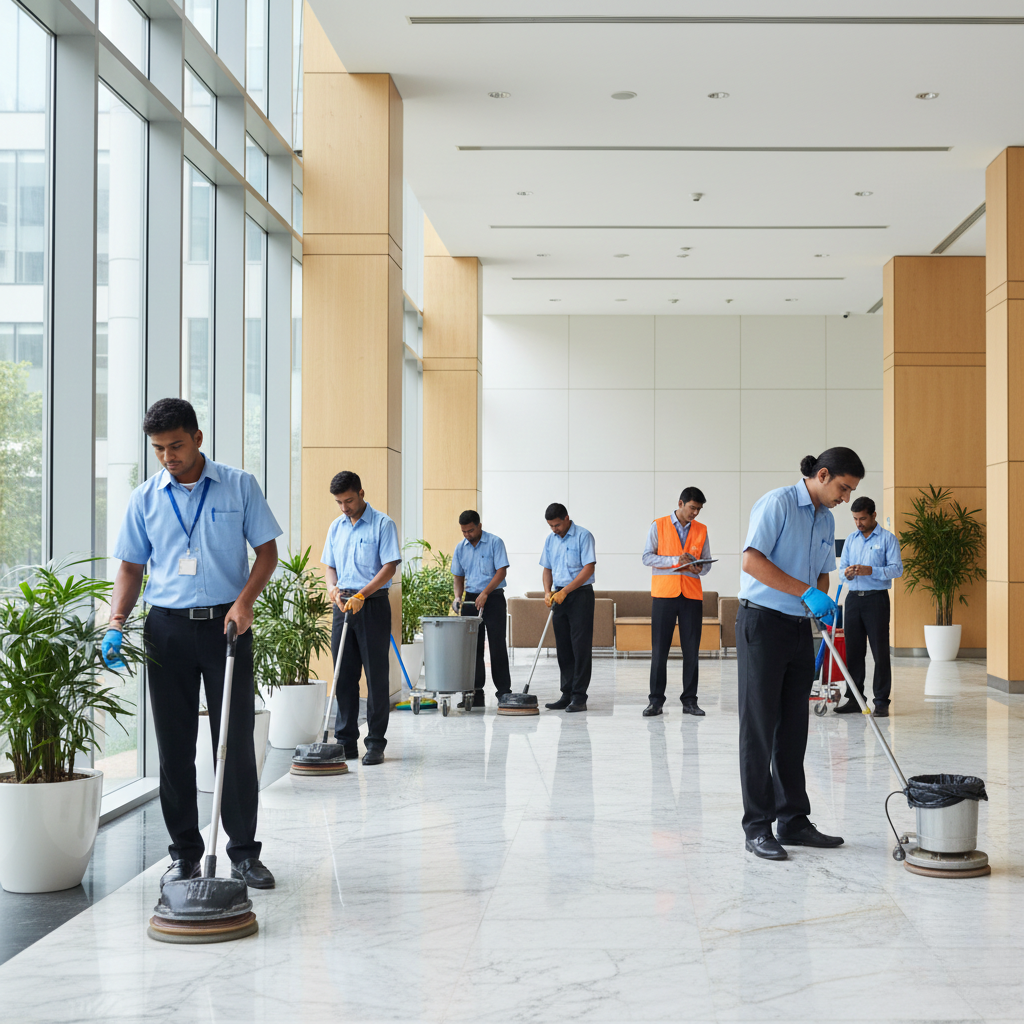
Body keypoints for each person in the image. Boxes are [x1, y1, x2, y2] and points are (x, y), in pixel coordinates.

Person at [102, 398, 280, 889]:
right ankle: (184, 853)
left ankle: (244, 852)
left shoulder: (239, 485)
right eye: (158, 449)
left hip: (228, 626)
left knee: (235, 742)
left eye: (175, 446)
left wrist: (244, 604)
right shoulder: (144, 497)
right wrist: (118, 619)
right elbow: (131, 567)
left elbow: (267, 552)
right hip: (167, 629)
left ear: (197, 438)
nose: (167, 457)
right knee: (174, 747)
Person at [737, 447, 864, 861]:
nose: (846, 499)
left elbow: (823, 570)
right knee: (759, 728)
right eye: (843, 488)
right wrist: (804, 591)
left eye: (851, 492)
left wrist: (819, 598)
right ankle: (757, 826)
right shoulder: (777, 503)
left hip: (798, 628)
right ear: (823, 475)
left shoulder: (825, 519)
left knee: (793, 728)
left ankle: (792, 819)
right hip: (762, 624)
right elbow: (752, 561)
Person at [322, 471, 401, 765]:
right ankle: (345, 743)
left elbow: (389, 567)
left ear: (362, 493)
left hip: (372, 604)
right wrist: (332, 588)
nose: (345, 507)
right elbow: (330, 565)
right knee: (343, 675)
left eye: (349, 500)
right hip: (343, 605)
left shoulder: (383, 524)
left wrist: (362, 595)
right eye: (340, 502)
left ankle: (375, 743)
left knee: (376, 676)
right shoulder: (336, 527)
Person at [642, 486, 713, 718]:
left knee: (691, 651)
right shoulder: (659, 525)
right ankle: (655, 701)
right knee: (659, 651)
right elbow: (647, 557)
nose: (695, 513)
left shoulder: (701, 530)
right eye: (692, 508)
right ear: (680, 503)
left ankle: (690, 701)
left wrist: (698, 567)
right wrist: (675, 560)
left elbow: (706, 566)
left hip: (691, 597)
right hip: (664, 596)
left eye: (699, 509)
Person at [837, 496, 903, 717]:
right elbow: (841, 571)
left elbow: (896, 569)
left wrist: (871, 571)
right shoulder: (851, 540)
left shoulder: (888, 539)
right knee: (853, 652)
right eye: (855, 518)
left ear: (873, 515)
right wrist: (846, 573)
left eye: (862, 518)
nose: (858, 523)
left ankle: (881, 701)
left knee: (880, 652)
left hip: (876, 599)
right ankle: (855, 699)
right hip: (854, 599)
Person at [539, 503, 597, 712]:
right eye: (551, 526)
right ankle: (566, 693)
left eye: (556, 525)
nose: (554, 529)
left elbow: (588, 568)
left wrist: (567, 591)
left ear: (566, 518)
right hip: (558, 595)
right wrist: (548, 592)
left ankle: (579, 696)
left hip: (579, 594)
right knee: (563, 647)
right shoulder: (550, 540)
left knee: (580, 646)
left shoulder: (583, 536)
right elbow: (547, 568)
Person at [451, 510, 512, 708]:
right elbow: (458, 576)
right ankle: (474, 693)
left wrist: (485, 592)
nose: (467, 535)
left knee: (497, 645)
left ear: (479, 526)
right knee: (471, 649)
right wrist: (458, 597)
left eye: (470, 530)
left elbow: (501, 571)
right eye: (464, 532)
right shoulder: (461, 548)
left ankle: (503, 692)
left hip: (493, 597)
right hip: (470, 600)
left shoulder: (495, 543)